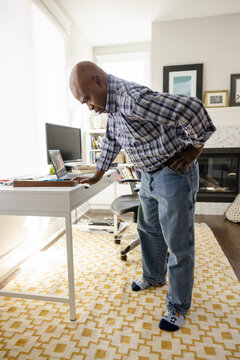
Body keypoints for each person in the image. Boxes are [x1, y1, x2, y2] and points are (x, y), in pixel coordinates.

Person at [69, 61, 216, 331]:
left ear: (99, 82)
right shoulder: (112, 107)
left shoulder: (133, 100)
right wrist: (97, 174)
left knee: (179, 243)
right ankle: (154, 276)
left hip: (173, 173)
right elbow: (112, 139)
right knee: (148, 229)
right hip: (148, 175)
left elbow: (193, 108)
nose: (88, 105)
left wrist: (195, 149)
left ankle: (177, 306)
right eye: (83, 102)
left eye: (87, 98)